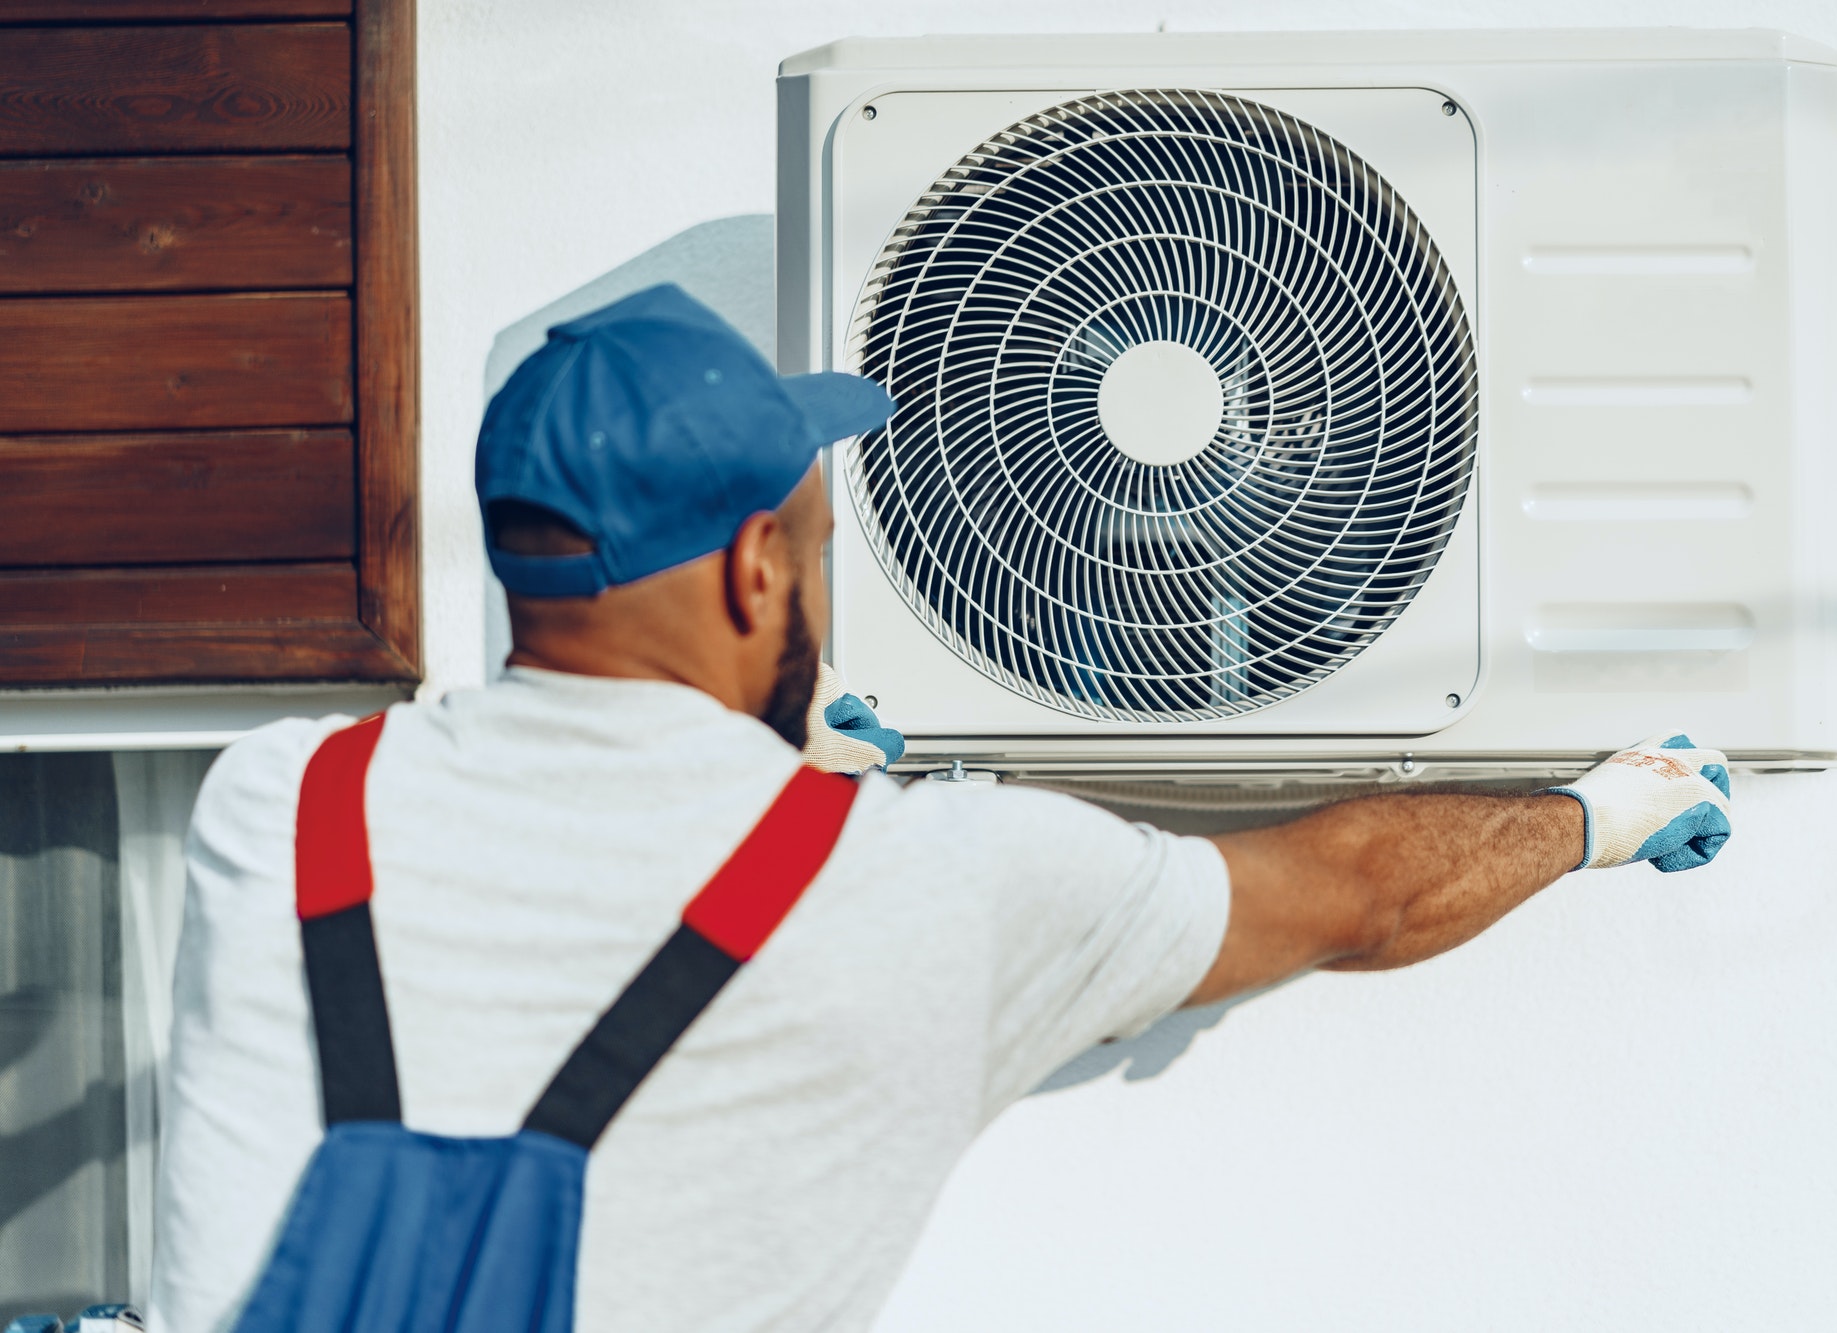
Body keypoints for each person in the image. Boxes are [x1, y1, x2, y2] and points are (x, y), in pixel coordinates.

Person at [150, 284, 1733, 1332]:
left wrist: (794, 795)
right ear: (756, 565)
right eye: (822, 547)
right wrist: (1607, 804)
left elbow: (529, 925)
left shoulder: (279, 799)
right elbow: (1362, 892)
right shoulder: (950, 880)